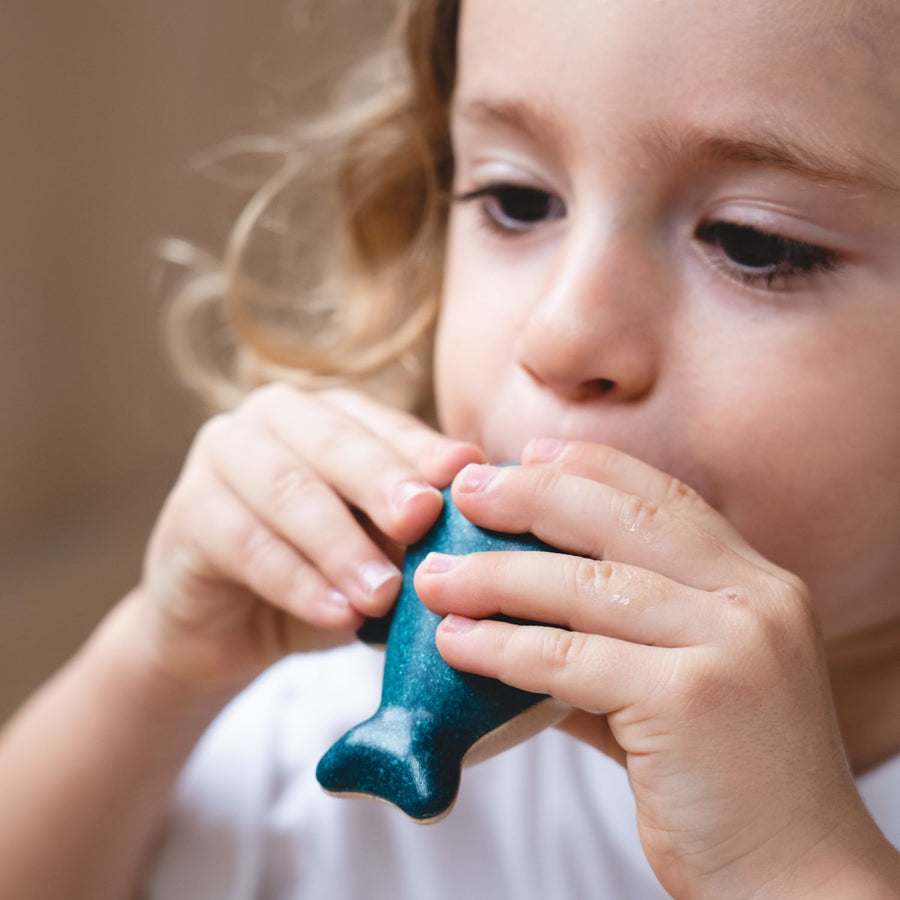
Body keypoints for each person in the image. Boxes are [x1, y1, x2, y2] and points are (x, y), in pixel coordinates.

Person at [2, 0, 900, 896]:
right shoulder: (353, 714)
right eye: (517, 200)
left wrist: (798, 871)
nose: (561, 332)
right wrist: (155, 673)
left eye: (756, 242)